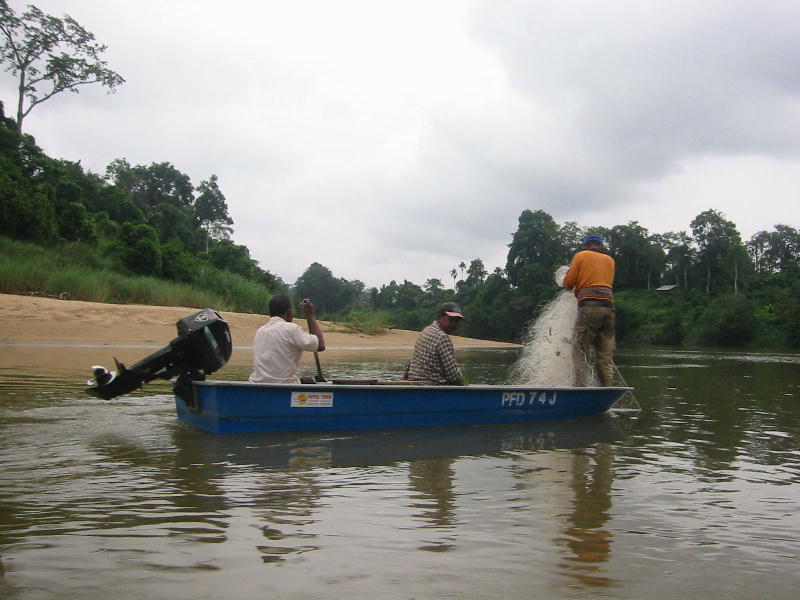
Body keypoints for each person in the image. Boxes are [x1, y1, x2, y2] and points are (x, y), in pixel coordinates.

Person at [563, 234, 616, 387]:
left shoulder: (581, 256)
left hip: (589, 308)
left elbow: (569, 283)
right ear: (601, 246)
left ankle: (580, 389)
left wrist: (567, 281)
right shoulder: (610, 260)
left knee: (580, 351)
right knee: (605, 356)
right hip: (608, 309)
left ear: (585, 246)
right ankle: (606, 390)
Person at [249, 294, 326, 384]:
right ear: (289, 312)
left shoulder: (261, 331)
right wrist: (310, 315)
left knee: (306, 380)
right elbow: (320, 345)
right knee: (309, 381)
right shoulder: (290, 329)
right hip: (282, 386)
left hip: (256, 384)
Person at [405, 302, 465, 385]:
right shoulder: (442, 337)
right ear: (438, 317)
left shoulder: (425, 331)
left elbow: (410, 364)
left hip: (416, 385)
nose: (454, 324)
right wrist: (464, 390)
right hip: (433, 388)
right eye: (451, 320)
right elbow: (454, 375)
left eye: (457, 321)